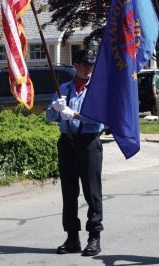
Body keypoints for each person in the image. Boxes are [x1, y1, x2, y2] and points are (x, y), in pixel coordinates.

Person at [46, 49, 105, 256]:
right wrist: (54, 108)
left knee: (92, 193)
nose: (89, 68)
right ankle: (72, 238)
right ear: (76, 65)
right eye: (85, 64)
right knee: (69, 193)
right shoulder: (63, 89)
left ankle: (94, 237)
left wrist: (76, 115)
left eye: (91, 65)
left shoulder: (97, 89)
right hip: (67, 144)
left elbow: (101, 118)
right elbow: (48, 117)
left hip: (89, 143)